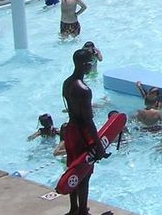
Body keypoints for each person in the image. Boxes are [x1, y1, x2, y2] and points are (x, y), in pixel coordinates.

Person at [62, 48, 108, 214]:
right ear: (84, 64)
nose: (92, 64)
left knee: (73, 169)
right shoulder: (84, 90)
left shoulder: (67, 83)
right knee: (84, 172)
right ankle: (82, 211)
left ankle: (74, 208)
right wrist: (99, 145)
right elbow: (88, 121)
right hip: (82, 133)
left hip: (71, 131)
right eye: (90, 62)